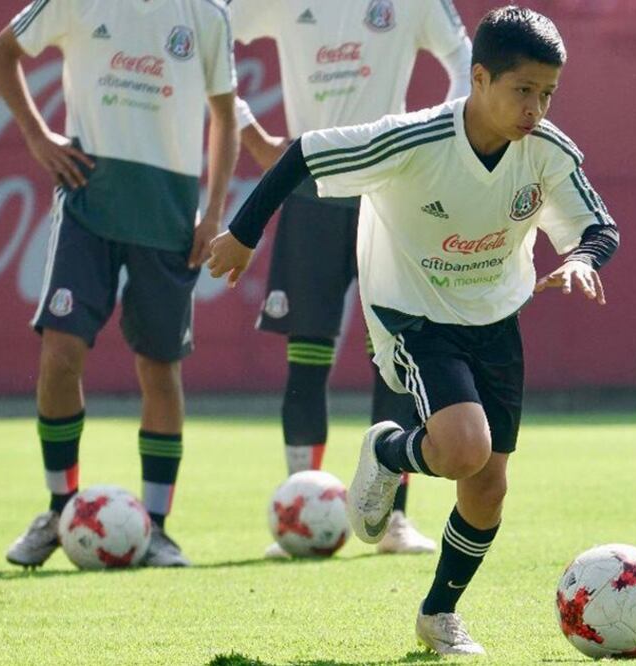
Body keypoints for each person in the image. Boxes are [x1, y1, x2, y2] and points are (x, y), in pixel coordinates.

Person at [209, 5, 618, 654]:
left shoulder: (544, 152)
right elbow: (304, 155)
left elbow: (598, 227)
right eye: (522, 91)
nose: (534, 107)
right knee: (462, 448)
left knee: (486, 488)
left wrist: (578, 261)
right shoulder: (412, 139)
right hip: (412, 313)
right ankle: (390, 452)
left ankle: (436, 615)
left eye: (546, 93)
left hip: (494, 318)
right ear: (477, 79)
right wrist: (241, 232)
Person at [0, 0, 239, 568]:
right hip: (87, 204)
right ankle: (59, 507)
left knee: (159, 367)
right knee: (59, 354)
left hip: (168, 216)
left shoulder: (208, 15)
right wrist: (36, 136)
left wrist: (214, 213)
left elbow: (225, 116)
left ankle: (157, 528)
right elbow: (0, 53)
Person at [228, 0, 473, 558]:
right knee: (307, 354)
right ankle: (299, 508)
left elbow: (465, 60)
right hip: (309, 190)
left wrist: (429, 134)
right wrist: (248, 130)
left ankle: (391, 520)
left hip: (388, 195)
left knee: (394, 356)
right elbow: (208, 35)